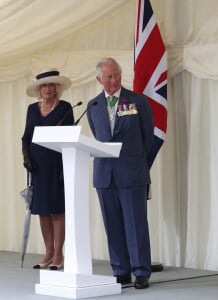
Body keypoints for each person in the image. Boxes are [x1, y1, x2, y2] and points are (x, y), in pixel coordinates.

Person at [87, 57, 154, 289]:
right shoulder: (93, 106)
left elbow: (148, 137)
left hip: (132, 172)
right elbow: (98, 136)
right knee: (112, 224)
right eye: (109, 76)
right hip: (105, 175)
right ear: (99, 79)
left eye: (117, 74)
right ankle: (121, 270)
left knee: (136, 224)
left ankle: (141, 271)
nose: (114, 80)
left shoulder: (137, 101)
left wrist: (135, 161)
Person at [21, 68, 74, 270]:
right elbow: (26, 136)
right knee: (43, 211)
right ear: (39, 89)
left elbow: (71, 135)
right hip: (37, 166)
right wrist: (26, 155)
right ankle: (48, 252)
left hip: (57, 165)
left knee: (57, 210)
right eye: (44, 85)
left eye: (51, 85)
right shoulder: (32, 109)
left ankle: (59, 253)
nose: (47, 88)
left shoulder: (65, 108)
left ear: (56, 88)